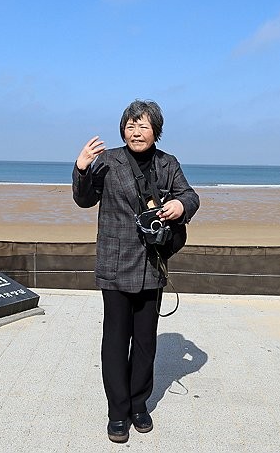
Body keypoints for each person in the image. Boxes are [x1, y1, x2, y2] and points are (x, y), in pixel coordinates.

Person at [72, 99, 200, 444]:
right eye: (130, 125)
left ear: (156, 131)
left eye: (143, 126)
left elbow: (190, 196)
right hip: (114, 262)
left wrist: (179, 204)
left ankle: (139, 404)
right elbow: (84, 200)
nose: (136, 131)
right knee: (115, 340)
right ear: (122, 130)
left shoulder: (166, 163)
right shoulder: (108, 161)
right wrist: (82, 168)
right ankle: (118, 411)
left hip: (152, 262)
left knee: (145, 341)